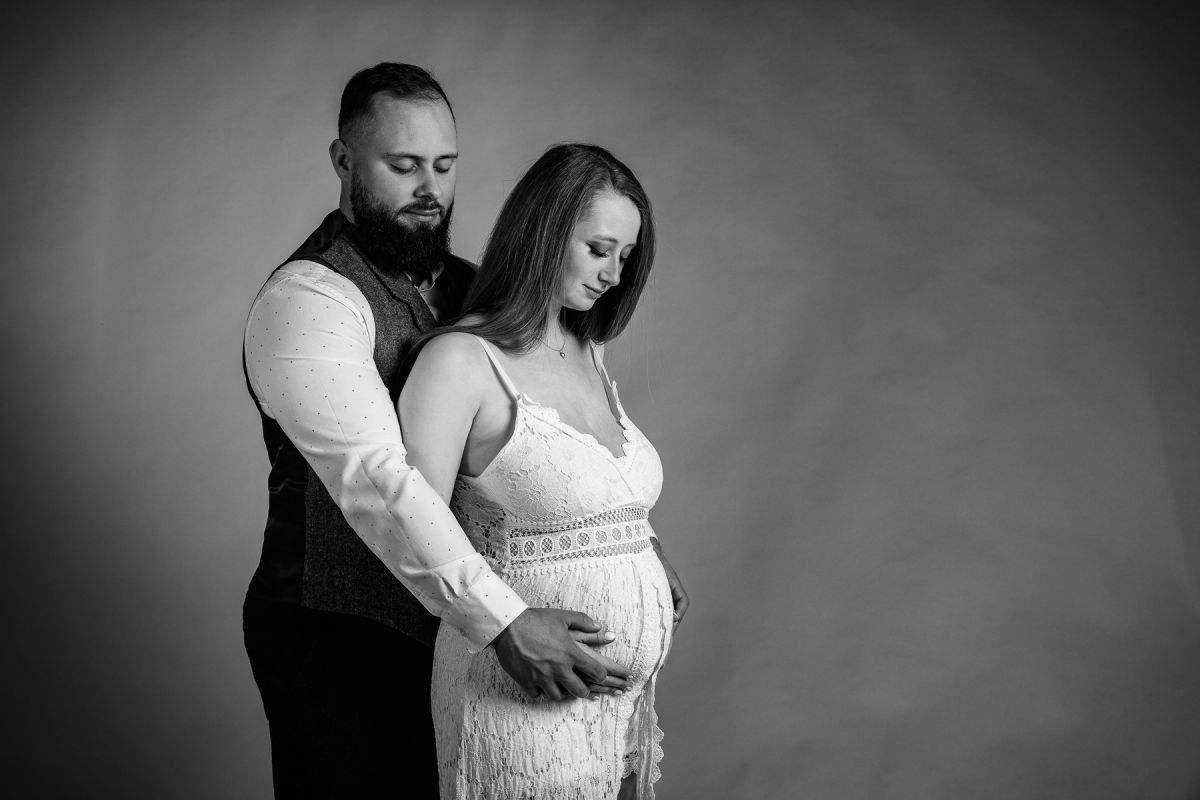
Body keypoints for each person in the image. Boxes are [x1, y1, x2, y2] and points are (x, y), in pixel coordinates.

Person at [241, 64, 632, 799]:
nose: (430, 189)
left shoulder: (474, 289)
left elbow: (546, 436)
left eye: (445, 166)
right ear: (344, 161)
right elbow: (380, 483)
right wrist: (505, 623)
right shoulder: (310, 300)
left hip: (455, 634)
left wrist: (631, 533)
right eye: (405, 166)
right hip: (338, 635)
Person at [398, 143, 690, 800]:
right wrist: (505, 625)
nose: (614, 275)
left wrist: (641, 543)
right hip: (515, 694)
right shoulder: (460, 361)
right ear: (545, 232)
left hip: (620, 704)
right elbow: (410, 524)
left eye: (626, 257)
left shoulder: (586, 349)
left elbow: (583, 481)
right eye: (599, 249)